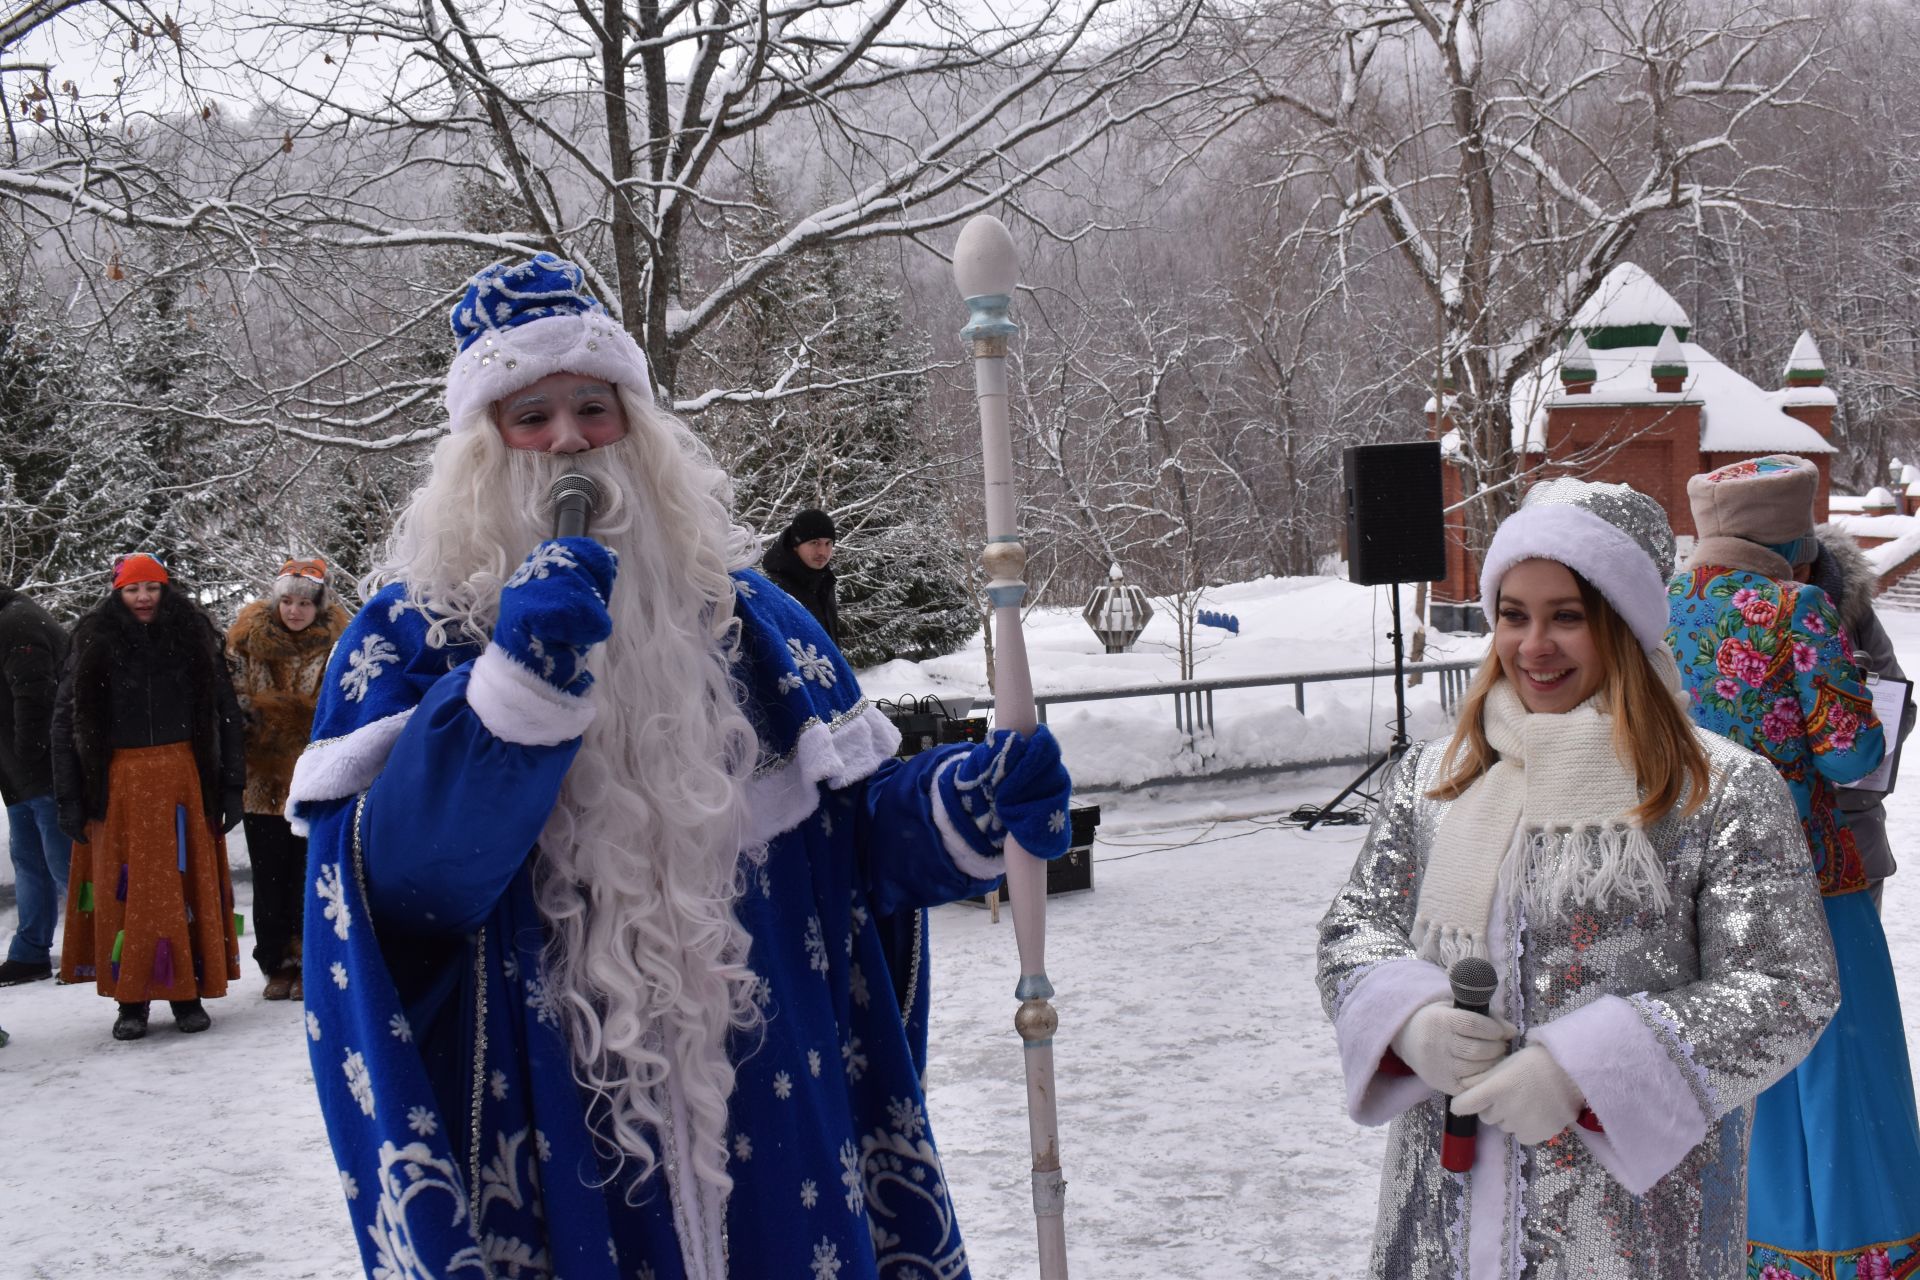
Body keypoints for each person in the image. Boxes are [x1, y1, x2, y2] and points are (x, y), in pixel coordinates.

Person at [290, 254, 1072, 1280]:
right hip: (551, 1136)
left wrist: (959, 807)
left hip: (780, 1129)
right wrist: (512, 693)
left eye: (592, 407)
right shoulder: (413, 638)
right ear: (481, 450)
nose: (568, 437)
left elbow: (849, 855)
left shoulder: (751, 624)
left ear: (639, 430)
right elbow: (408, 888)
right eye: (529, 416)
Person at [1318, 478, 1839, 1278]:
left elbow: (1786, 986)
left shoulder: (1720, 789)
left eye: (1567, 615)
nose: (1534, 645)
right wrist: (1410, 1024)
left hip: (1635, 1231)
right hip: (1441, 1223)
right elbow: (1354, 930)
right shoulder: (1438, 777)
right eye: (1513, 615)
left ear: (1624, 624)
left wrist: (1589, 1069)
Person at [1667, 454, 1920, 1274]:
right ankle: (1857, 1254)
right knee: (1843, 1070)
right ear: (1793, 535)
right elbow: (1851, 756)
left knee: (1736, 1070)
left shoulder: (1654, 611)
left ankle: (1743, 1250)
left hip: (1696, 883)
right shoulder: (1796, 608)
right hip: (1815, 876)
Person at [53, 553, 246, 1040]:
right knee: (127, 894)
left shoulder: (192, 637)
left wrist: (231, 785)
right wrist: (69, 799)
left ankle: (187, 995)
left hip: (184, 780)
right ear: (117, 594)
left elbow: (225, 712)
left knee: (182, 891)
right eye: (132, 590)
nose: (143, 598)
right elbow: (64, 722)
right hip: (117, 785)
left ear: (166, 591)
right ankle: (130, 1001)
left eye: (152, 589)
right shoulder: (93, 640)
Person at [225, 557, 352, 1000]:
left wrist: (279, 717)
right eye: (287, 601)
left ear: (319, 606)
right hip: (262, 780)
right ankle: (276, 961)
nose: (294, 611)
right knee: (270, 876)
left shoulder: (340, 645)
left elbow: (341, 709)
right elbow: (235, 706)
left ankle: (311, 957)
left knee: (310, 872)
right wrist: (275, 723)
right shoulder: (244, 645)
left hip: (317, 777)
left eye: (304, 603)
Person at [1811, 521, 1917, 912]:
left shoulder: (1854, 611)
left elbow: (1897, 704)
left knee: (1855, 965)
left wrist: (1858, 748)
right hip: (1765, 838)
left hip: (1853, 825)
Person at [0, 583, 70, 986]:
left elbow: (35, 695)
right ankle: (29, 953)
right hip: (19, 776)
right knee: (29, 863)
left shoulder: (17, 622)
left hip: (43, 771)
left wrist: (28, 756)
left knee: (67, 866)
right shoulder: (10, 617)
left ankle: (96, 947)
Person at [762, 506, 840, 641]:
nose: (823, 552)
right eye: (814, 543)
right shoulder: (775, 589)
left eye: (828, 543)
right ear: (796, 546)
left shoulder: (825, 583)